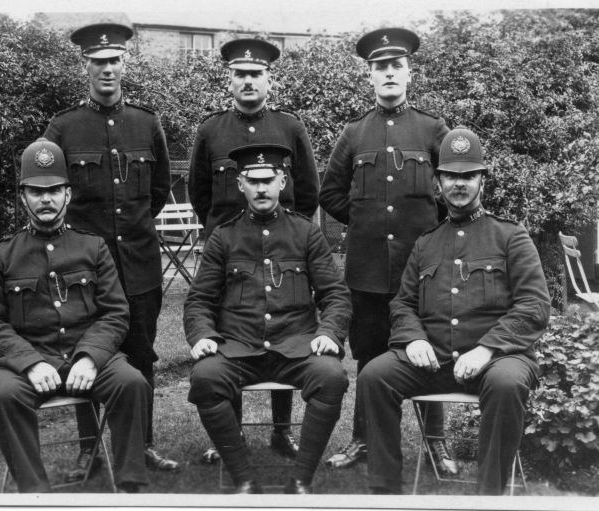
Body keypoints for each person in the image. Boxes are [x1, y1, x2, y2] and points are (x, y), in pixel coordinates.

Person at [357, 126, 551, 494]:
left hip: (498, 359)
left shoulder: (511, 236)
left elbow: (535, 305)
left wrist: (487, 348)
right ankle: (385, 493)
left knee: (507, 383)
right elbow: (402, 302)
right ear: (438, 181)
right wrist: (412, 338)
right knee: (373, 375)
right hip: (436, 361)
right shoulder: (426, 243)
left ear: (482, 181)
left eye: (468, 176)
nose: (458, 184)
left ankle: (488, 495)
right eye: (450, 175)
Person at [42, 19, 179, 476]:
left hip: (139, 264)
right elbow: (53, 193)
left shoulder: (146, 122)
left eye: (114, 61)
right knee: (84, 353)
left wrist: (136, 228)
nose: (107, 69)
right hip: (84, 269)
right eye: (98, 62)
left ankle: (141, 446)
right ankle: (89, 448)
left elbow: (158, 190)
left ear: (125, 63)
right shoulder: (63, 128)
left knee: (141, 356)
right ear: (86, 66)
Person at [0, 138, 151, 493]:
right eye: (36, 192)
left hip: (86, 356)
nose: (46, 199)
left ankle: (132, 487)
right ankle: (35, 491)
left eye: (55, 190)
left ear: (68, 195)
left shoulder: (93, 247)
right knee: (1, 397)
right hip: (31, 360)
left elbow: (116, 312)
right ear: (22, 196)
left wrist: (90, 358)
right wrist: (29, 363)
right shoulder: (0, 256)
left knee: (132, 383)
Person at [318, 27, 454, 473]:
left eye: (396, 66)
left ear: (409, 73)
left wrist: (432, 235)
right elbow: (330, 192)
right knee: (370, 356)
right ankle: (364, 440)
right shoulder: (355, 133)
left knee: (431, 351)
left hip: (424, 272)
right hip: (369, 271)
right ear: (370, 76)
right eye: (380, 67)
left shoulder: (433, 129)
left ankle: (437, 442)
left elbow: (453, 191)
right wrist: (365, 222)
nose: (389, 73)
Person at [184, 143, 351, 494]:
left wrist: (330, 333)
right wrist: (202, 335)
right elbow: (199, 298)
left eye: (268, 180)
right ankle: (244, 479)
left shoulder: (306, 232)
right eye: (252, 181)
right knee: (205, 378)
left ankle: (301, 480)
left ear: (282, 181)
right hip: (239, 349)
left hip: (296, 347)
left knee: (331, 376)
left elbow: (335, 294)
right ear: (240, 185)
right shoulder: (224, 236)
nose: (261, 188)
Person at [188, 37, 320, 463]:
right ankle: (230, 434)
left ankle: (282, 432)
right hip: (228, 249)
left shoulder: (290, 127)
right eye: (240, 74)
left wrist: (291, 237)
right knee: (234, 329)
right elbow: (199, 193)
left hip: (285, 245)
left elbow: (309, 189)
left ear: (269, 78)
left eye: (255, 74)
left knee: (285, 322)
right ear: (230, 79)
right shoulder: (211, 130)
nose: (248, 81)